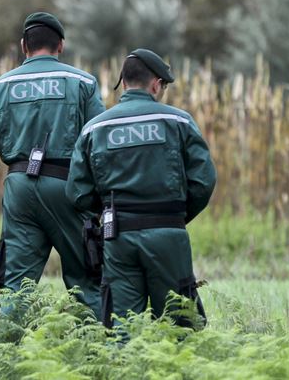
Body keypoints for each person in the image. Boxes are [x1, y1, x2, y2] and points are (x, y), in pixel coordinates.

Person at [66, 48, 216, 328]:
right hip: (169, 235)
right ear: (156, 84)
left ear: (123, 83)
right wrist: (177, 217)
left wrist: (110, 212)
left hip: (118, 236)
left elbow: (77, 192)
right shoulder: (178, 121)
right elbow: (204, 181)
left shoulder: (94, 128)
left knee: (122, 327)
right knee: (179, 323)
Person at [0, 12, 105, 316]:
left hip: (19, 191)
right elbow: (101, 145)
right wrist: (103, 202)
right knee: (88, 282)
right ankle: (106, 356)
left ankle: (5, 357)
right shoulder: (83, 82)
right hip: (69, 188)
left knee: (15, 288)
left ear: (23, 46)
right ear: (61, 45)